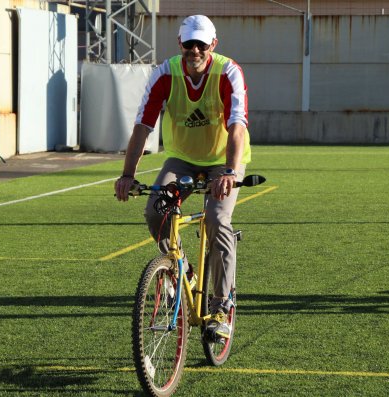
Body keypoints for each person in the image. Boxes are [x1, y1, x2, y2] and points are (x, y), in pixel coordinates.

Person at [115, 15, 252, 339]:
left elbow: (237, 125)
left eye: (201, 44)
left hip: (223, 160)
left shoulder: (228, 71)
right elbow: (143, 126)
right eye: (189, 43)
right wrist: (127, 175)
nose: (194, 50)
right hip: (184, 161)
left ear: (212, 45)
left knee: (217, 219)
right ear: (180, 44)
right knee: (155, 210)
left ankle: (221, 306)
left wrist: (231, 172)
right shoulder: (165, 74)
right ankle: (182, 270)